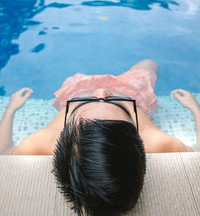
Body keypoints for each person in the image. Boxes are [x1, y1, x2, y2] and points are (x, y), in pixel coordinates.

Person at [0, 59, 200, 216]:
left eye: (84, 106)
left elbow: (4, 151)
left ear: (66, 135)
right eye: (116, 105)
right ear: (137, 139)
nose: (100, 90)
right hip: (132, 91)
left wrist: (11, 109)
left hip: (77, 90)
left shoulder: (43, 140)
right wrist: (194, 108)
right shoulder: (156, 140)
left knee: (72, 70)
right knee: (149, 64)